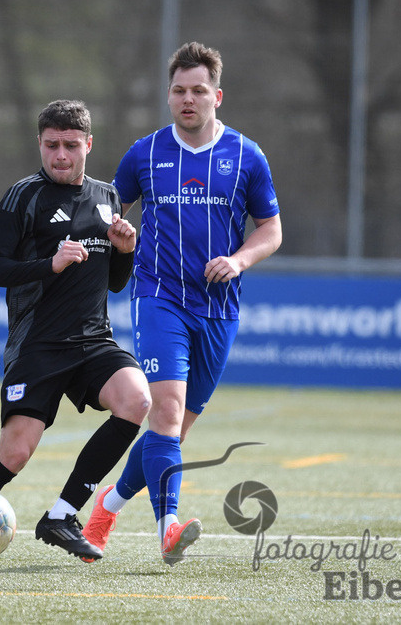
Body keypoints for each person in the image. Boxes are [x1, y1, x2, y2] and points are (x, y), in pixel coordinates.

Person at [0, 99, 151, 590]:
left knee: (137, 400)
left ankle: (62, 515)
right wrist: (51, 264)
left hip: (93, 341)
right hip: (37, 345)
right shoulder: (23, 197)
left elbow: (117, 283)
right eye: (50, 145)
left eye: (69, 145)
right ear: (40, 144)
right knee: (14, 455)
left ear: (88, 144)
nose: (60, 154)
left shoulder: (107, 197)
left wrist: (126, 250)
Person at [81, 41, 283, 566]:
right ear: (168, 96)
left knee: (171, 432)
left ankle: (106, 505)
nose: (187, 99)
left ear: (217, 95)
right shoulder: (143, 154)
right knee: (165, 412)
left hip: (219, 309)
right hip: (157, 297)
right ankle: (169, 528)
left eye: (198, 91)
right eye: (178, 91)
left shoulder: (247, 155)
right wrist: (114, 231)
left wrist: (238, 261)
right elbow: (104, 211)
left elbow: (271, 230)